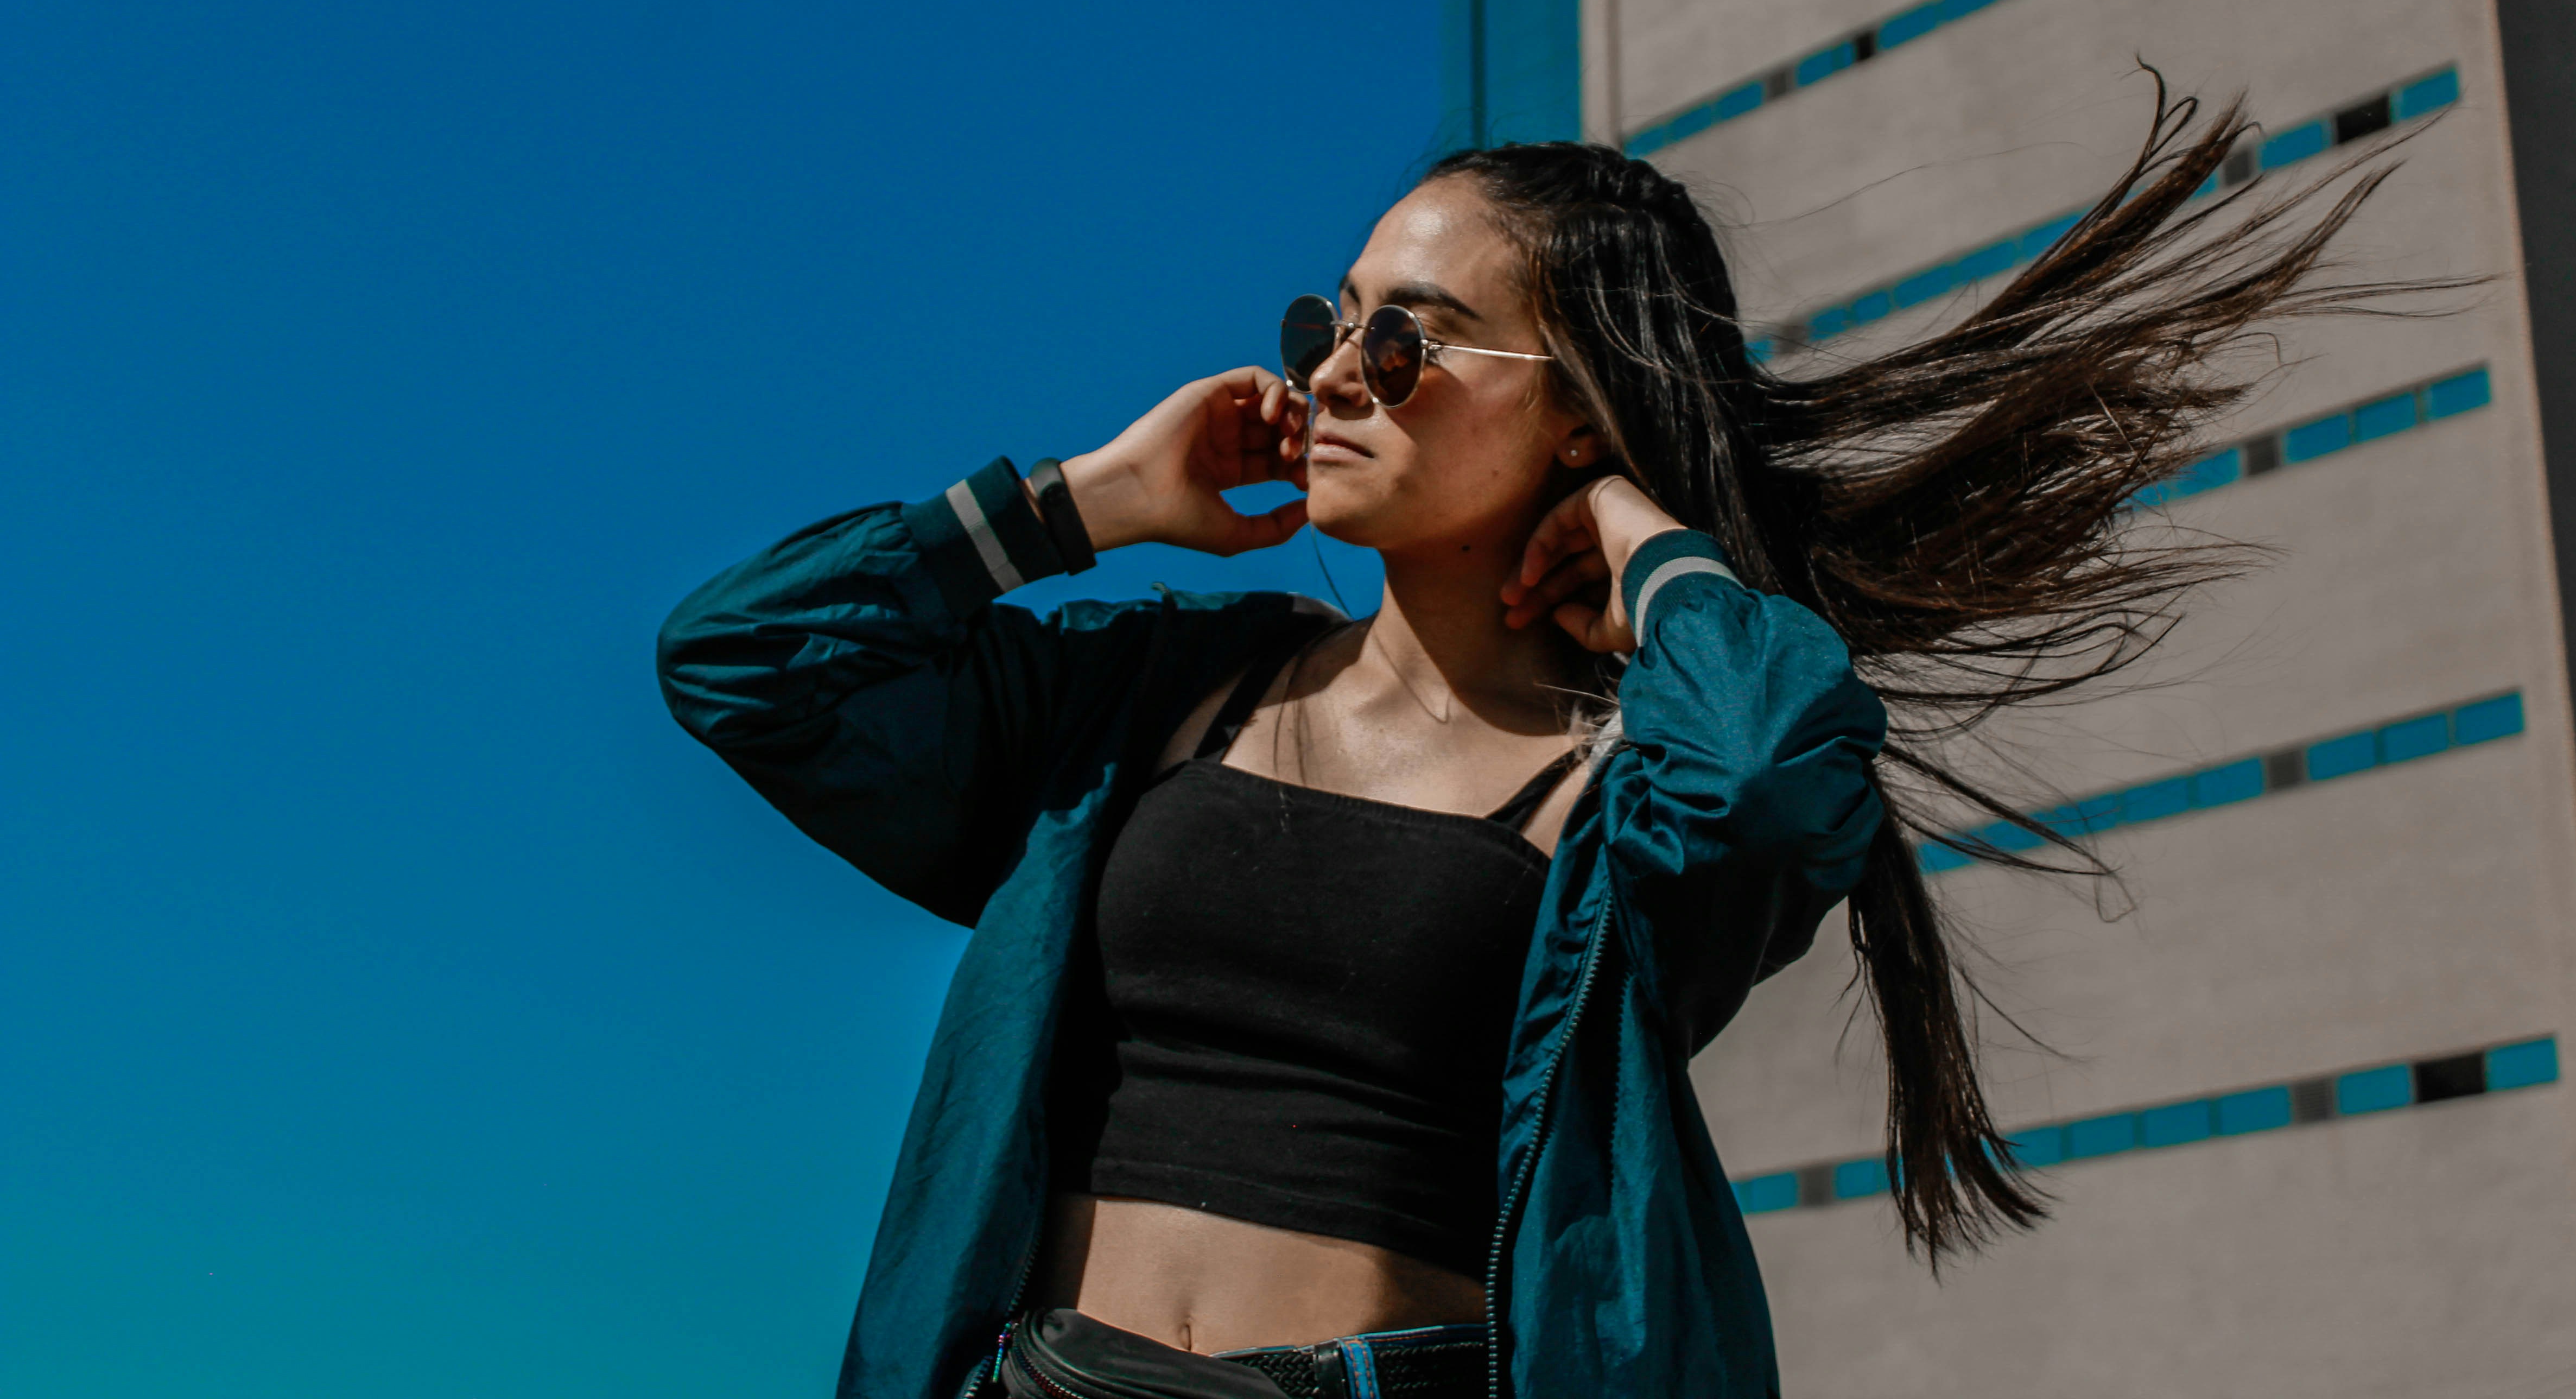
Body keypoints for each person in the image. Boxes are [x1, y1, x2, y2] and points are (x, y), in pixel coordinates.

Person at [657, 90, 2407, 1399]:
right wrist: (1085, 504)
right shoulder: (1156, 703)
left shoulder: (1628, 799)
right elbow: (745, 663)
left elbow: (1783, 784)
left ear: (1579, 408)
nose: (1339, 370)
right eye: (1331, 322)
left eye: (1407, 341)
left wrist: (1655, 554)